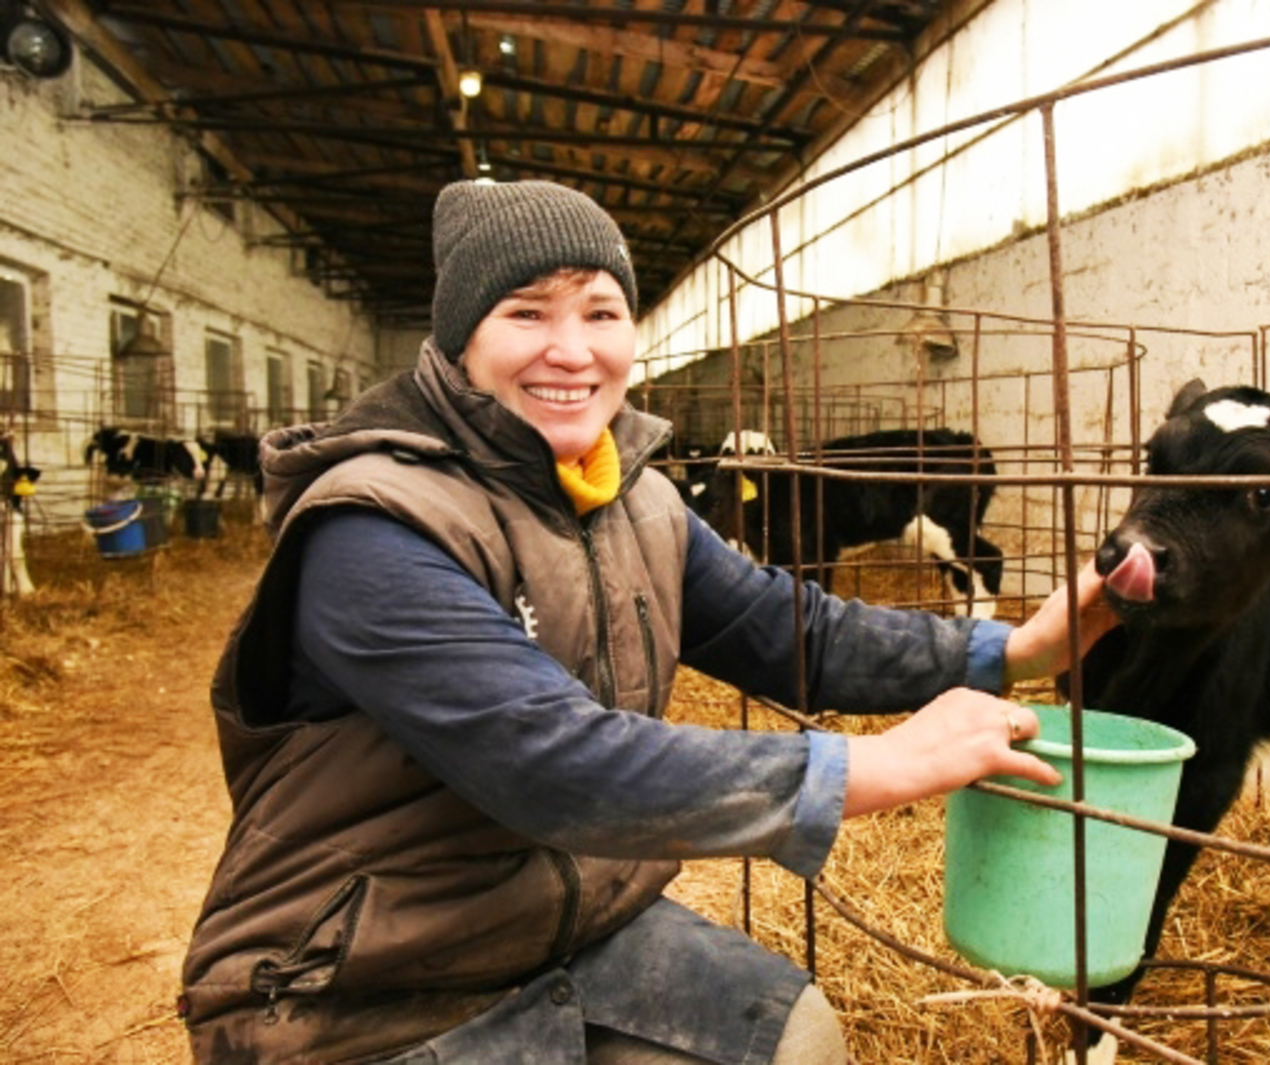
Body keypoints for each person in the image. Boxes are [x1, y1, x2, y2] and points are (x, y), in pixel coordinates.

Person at [179, 179, 1118, 1064]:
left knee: (795, 1036)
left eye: (600, 311)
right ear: (459, 338)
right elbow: (552, 760)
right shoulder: (375, 530)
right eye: (526, 313)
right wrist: (870, 766)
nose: (573, 349)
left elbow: (792, 629)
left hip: (562, 920)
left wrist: (1013, 648)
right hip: (352, 982)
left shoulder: (637, 501)